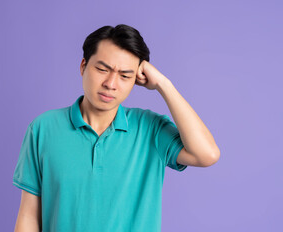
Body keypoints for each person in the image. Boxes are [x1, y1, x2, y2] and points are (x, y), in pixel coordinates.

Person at [13, 24, 220, 232]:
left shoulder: (150, 129)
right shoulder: (43, 129)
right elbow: (29, 216)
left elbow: (207, 154)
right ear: (83, 66)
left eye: (125, 76)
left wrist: (163, 85)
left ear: (137, 80)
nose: (111, 84)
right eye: (102, 69)